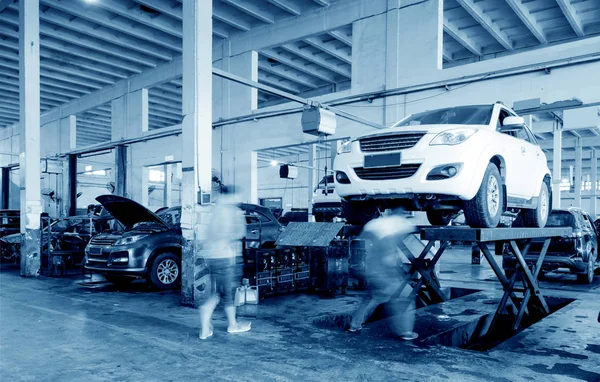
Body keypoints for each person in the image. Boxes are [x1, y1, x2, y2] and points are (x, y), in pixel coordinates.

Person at [348, 210, 419, 340]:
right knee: (406, 296)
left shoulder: (373, 224)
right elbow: (388, 258)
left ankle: (354, 325)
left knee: (371, 297)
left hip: (369, 270)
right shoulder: (396, 226)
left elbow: (361, 244)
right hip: (382, 273)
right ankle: (406, 332)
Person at [199, 185, 251, 340]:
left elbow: (209, 233)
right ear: (231, 196)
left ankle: (213, 327)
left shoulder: (214, 210)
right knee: (225, 293)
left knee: (220, 292)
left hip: (212, 256)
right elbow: (240, 233)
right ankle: (226, 325)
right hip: (224, 256)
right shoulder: (230, 211)